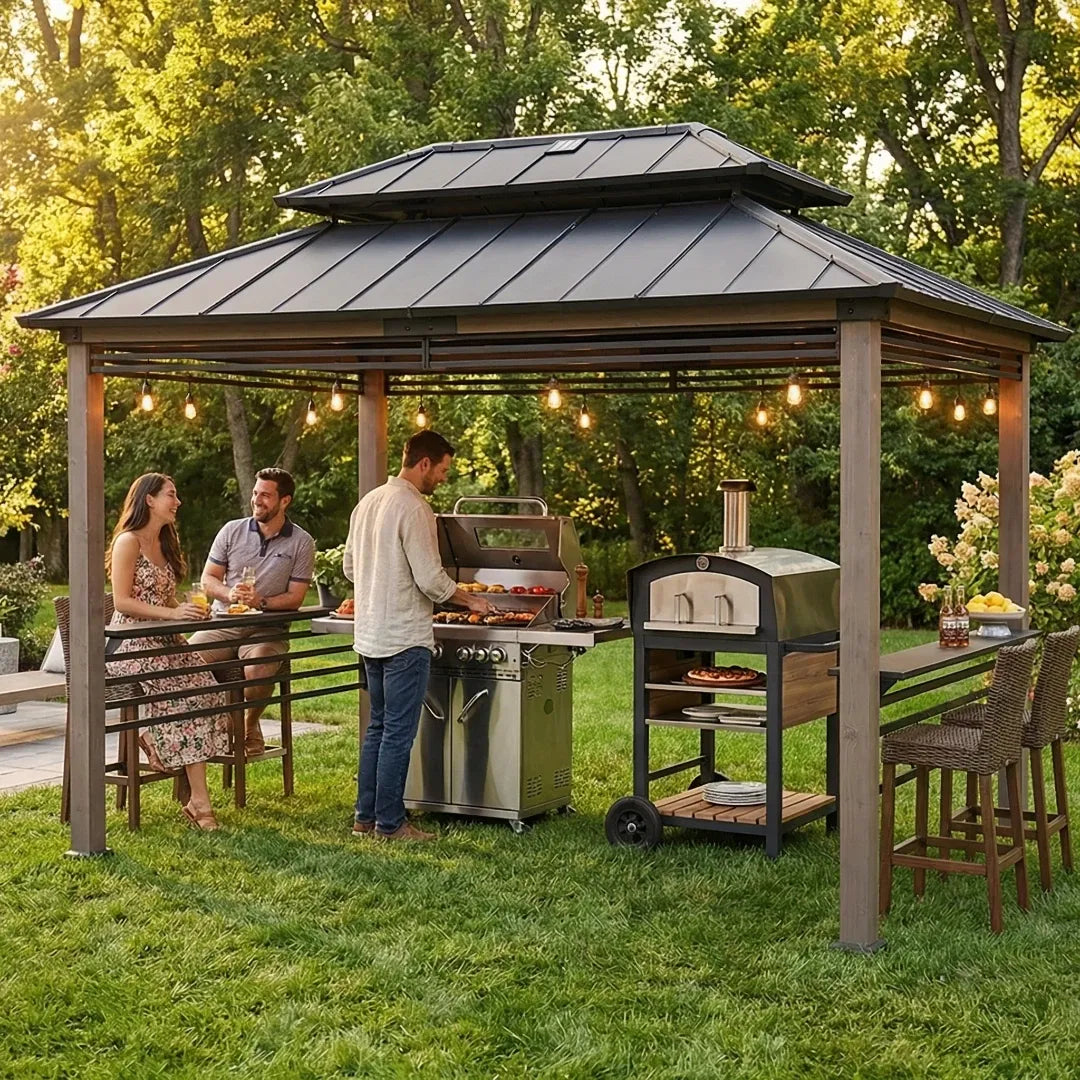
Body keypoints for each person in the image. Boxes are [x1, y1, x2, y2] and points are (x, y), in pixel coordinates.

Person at [344, 430, 491, 842]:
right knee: (397, 733)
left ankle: (364, 818)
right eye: (442, 470)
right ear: (424, 463)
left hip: (371, 635)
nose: (442, 478)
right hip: (405, 637)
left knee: (377, 728)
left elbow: (350, 569)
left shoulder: (368, 503)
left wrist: (380, 587)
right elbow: (430, 579)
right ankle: (390, 825)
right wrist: (470, 601)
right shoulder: (414, 507)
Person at [106, 473, 231, 831]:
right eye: (171, 495)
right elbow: (123, 602)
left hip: (166, 640)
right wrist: (173, 613)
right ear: (149, 499)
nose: (177, 502)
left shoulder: (165, 540)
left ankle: (164, 751)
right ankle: (199, 802)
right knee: (184, 699)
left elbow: (167, 599)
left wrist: (187, 610)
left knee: (208, 693)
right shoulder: (127, 542)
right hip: (132, 643)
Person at [189, 468, 315, 756]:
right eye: (255, 493)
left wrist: (261, 601)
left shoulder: (301, 542)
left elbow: (296, 597)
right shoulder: (232, 531)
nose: (257, 500)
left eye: (266, 495)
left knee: (257, 669)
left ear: (285, 501)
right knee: (185, 661)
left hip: (267, 629)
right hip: (223, 622)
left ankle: (248, 724)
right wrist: (229, 594)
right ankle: (213, 728)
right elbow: (209, 579)